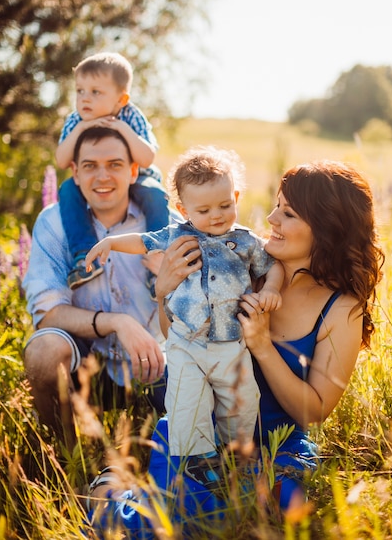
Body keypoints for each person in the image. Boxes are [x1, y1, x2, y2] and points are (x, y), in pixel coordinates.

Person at [85, 158, 384, 536]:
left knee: (287, 511)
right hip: (201, 429)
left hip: (275, 443)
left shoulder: (341, 308)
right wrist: (163, 293)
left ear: (327, 227)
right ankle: (111, 494)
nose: (272, 219)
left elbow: (314, 411)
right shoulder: (237, 261)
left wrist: (262, 345)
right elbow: (178, 334)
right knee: (186, 526)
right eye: (276, 206)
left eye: (288, 213)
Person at [85, 146, 284, 488]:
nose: (217, 215)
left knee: (242, 399)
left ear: (235, 196)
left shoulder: (247, 241)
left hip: (230, 342)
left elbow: (273, 266)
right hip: (185, 341)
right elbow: (144, 241)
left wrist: (271, 290)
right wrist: (111, 243)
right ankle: (199, 462)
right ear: (183, 210)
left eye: (225, 205)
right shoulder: (178, 234)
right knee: (187, 401)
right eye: (204, 209)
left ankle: (235, 453)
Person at [23, 126, 167, 447]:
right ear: (74, 173)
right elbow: (46, 314)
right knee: (43, 352)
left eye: (114, 164)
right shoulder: (55, 222)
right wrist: (117, 322)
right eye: (90, 166)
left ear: (133, 171)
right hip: (88, 362)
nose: (102, 176)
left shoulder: (162, 223)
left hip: (156, 360)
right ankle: (69, 462)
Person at [56, 51, 169, 290]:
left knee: (155, 195)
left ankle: (157, 260)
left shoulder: (130, 116)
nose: (85, 98)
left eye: (96, 92)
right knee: (66, 190)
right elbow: (61, 160)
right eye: (80, 91)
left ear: (121, 100)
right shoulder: (75, 120)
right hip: (90, 180)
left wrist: (122, 129)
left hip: (138, 177)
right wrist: (81, 128)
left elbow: (147, 158)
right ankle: (84, 256)